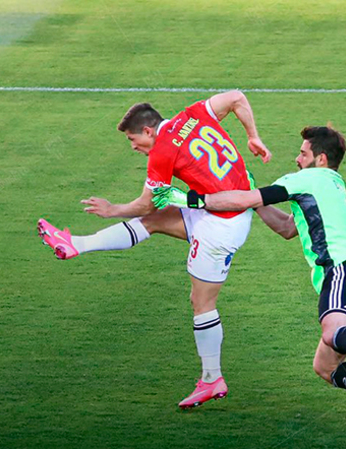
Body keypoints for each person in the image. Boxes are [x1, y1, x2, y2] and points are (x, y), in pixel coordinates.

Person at [38, 90, 271, 408]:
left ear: (148, 130)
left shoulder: (162, 152)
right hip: (231, 205)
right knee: (155, 221)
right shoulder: (191, 115)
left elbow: (144, 203)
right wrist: (253, 137)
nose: (133, 147)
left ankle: (212, 378)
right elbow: (236, 97)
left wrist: (112, 208)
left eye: (133, 140)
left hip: (222, 226)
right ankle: (77, 244)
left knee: (202, 302)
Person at [152, 126, 346, 395]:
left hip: (340, 269)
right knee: (325, 366)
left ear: (321, 159)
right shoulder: (332, 185)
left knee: (333, 332)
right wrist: (255, 200)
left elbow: (242, 199)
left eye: (303, 153)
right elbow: (286, 228)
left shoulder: (310, 179)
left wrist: (189, 199)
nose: (297, 159)